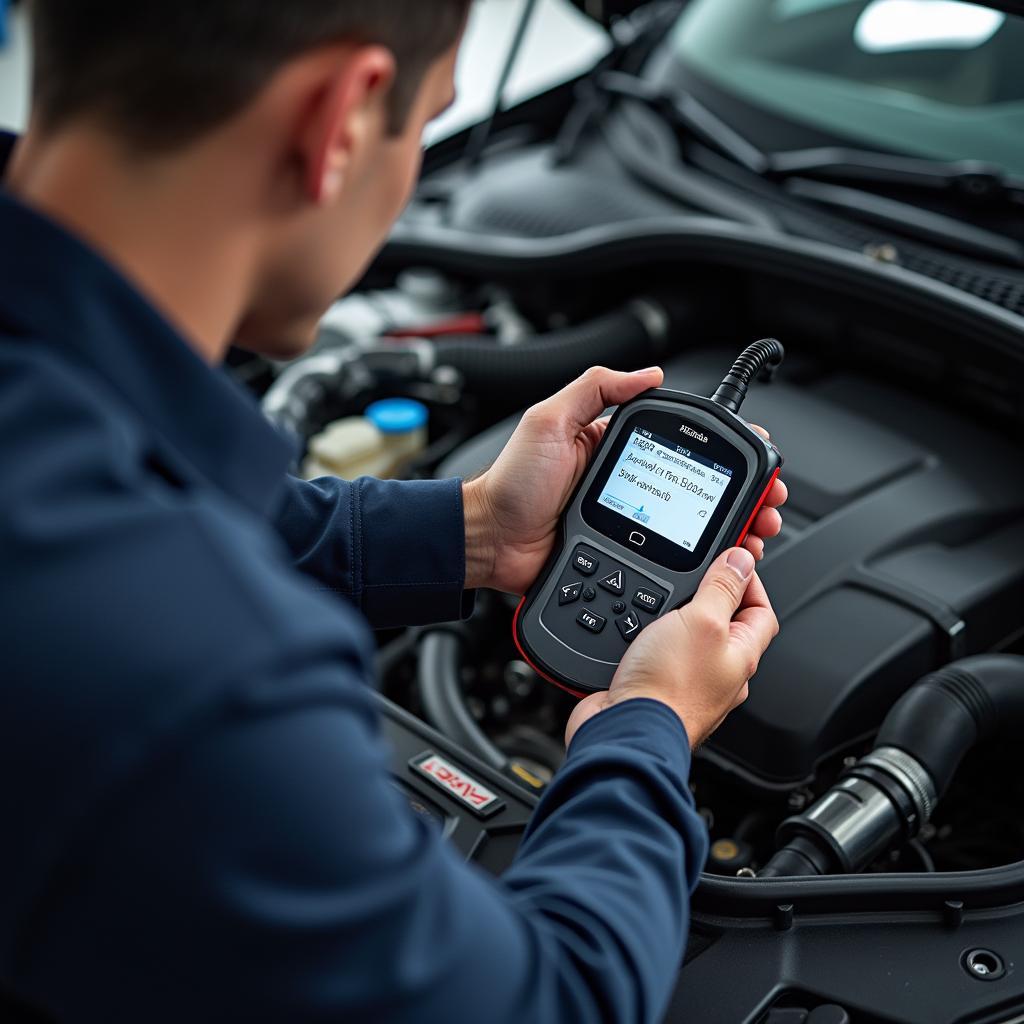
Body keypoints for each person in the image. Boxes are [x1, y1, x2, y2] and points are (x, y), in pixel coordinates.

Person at [0, 2, 786, 1021]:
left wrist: (473, 530)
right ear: (343, 117)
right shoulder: (199, 679)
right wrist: (649, 730)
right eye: (428, 122)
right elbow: (554, 1004)